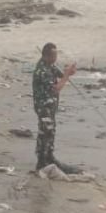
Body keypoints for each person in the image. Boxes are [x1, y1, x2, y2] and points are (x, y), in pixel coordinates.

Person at [32, 43, 77, 172]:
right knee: (45, 132)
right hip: (43, 106)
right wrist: (67, 75)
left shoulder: (50, 66)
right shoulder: (42, 71)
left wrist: (69, 72)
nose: (56, 58)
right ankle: (41, 161)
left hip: (50, 106)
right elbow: (56, 88)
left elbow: (61, 75)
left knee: (50, 132)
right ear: (47, 56)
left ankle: (49, 157)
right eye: (54, 56)